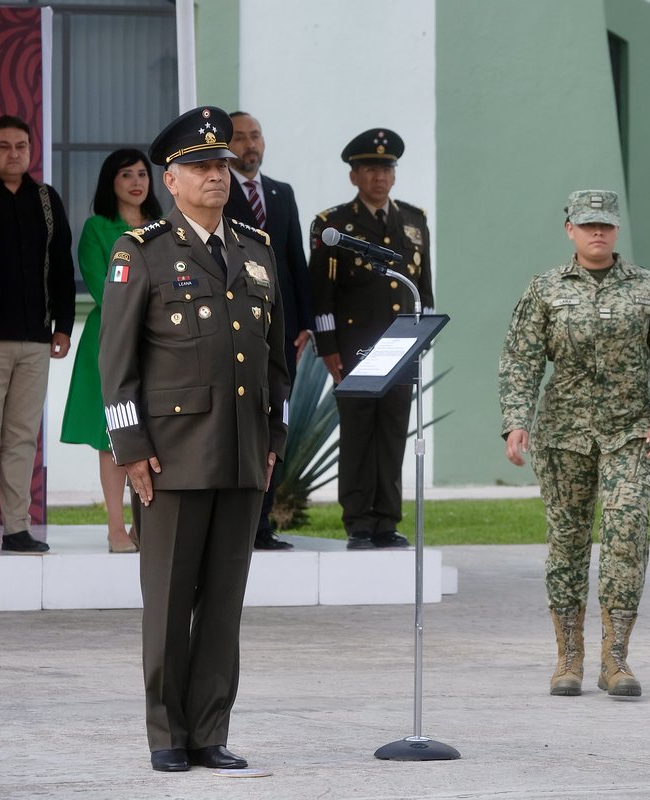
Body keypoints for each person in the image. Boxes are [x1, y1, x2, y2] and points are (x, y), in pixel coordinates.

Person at [98, 106, 290, 772]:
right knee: (170, 604)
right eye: (202, 167)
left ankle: (210, 731)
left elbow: (274, 364)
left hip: (241, 455)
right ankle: (167, 735)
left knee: (223, 606)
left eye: (223, 166)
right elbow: (115, 368)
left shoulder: (255, 251)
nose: (217, 176)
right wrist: (129, 453)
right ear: (170, 180)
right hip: (170, 460)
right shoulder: (141, 252)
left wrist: (274, 440)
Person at [498, 189, 650, 697]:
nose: (597, 233)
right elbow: (520, 359)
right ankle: (568, 657)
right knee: (567, 543)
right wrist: (516, 420)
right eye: (588, 225)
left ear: (616, 230)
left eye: (605, 225)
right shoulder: (545, 289)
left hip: (631, 433)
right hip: (563, 435)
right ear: (570, 229)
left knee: (626, 534)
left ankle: (617, 658)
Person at [308, 128, 433, 550]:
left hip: (401, 347)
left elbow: (424, 289)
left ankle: (386, 521)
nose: (379, 177)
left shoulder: (414, 221)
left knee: (393, 433)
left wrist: (422, 339)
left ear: (394, 175)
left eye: (386, 168)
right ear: (354, 176)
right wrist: (328, 350)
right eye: (369, 169)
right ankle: (359, 522)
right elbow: (321, 296)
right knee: (359, 434)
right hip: (355, 349)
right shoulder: (334, 225)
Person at [0, 115, 76, 555]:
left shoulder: (47, 199)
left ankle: (18, 526)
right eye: (3, 146)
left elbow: (62, 267)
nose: (13, 153)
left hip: (35, 339)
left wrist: (62, 325)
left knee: (23, 436)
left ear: (31, 151)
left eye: (21, 146)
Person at [60, 148, 162, 553]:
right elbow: (103, 286)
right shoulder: (97, 228)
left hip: (157, 340)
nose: (137, 182)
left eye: (143, 174)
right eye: (126, 175)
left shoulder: (161, 227)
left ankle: (145, 527)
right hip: (113, 339)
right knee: (112, 435)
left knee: (151, 432)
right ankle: (116, 528)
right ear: (111, 183)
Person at [225, 111, 312, 551]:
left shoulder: (281, 193)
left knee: (275, 425)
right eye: (239, 137)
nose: (249, 144)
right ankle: (236, 524)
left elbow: (295, 261)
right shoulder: (217, 192)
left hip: (283, 333)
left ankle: (262, 525)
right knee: (239, 427)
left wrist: (306, 324)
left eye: (255, 135)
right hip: (238, 328)